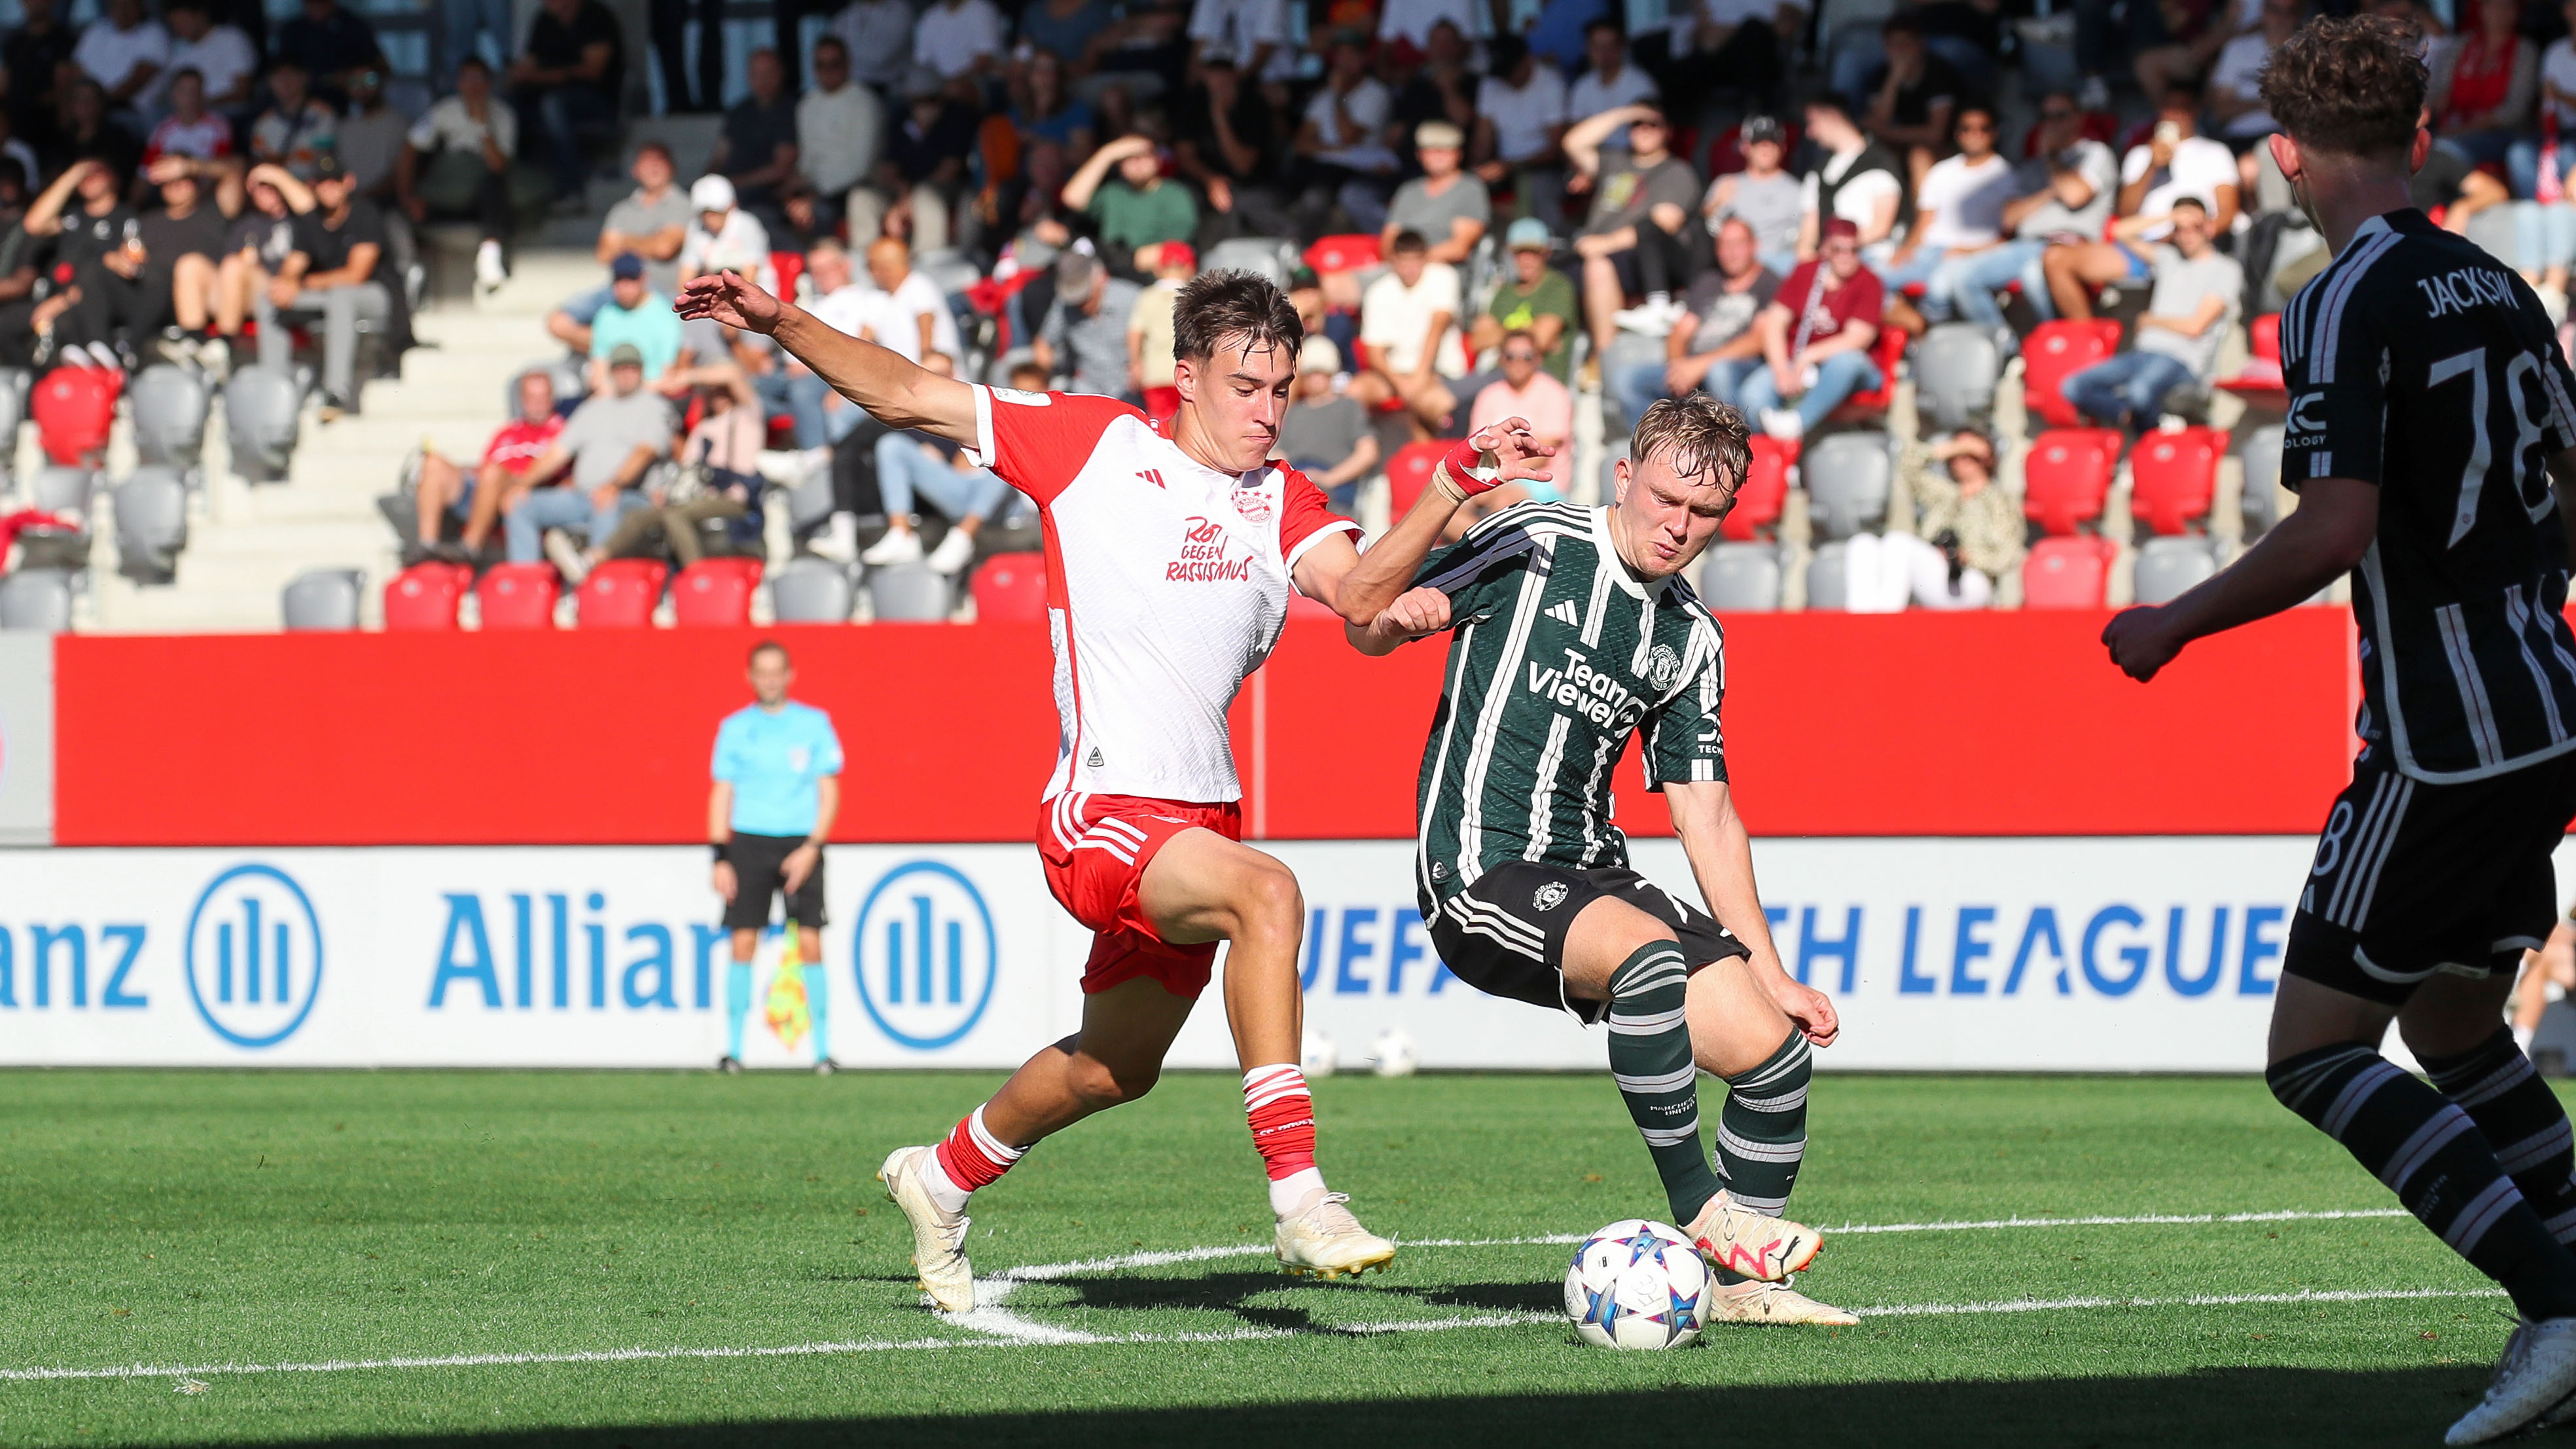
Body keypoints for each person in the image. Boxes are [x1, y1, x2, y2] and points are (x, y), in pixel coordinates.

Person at [675, 260, 1554, 1315]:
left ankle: (942, 1173)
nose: (1267, 412)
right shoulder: (1095, 443)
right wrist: (779, 320)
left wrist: (1444, 529)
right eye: (1245, 386)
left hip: (1202, 813)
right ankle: (1301, 1194)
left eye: (1282, 390)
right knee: (1267, 893)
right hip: (1102, 809)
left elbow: (1363, 604)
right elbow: (906, 392)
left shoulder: (1284, 497)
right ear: (1185, 375)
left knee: (1111, 1069)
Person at [2100, 20, 2576, 1442]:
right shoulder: (2497, 283)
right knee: (2455, 1024)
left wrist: (2173, 621)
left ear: (2284, 154)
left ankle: (2557, 1304)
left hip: (2439, 737)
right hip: (2545, 707)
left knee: (2313, 1052)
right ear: (2423, 141)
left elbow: (2339, 522)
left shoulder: (2335, 298)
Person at [1342, 392, 1850, 1325]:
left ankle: (1746, 1289)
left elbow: (1707, 811)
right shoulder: (1539, 537)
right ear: (1625, 476)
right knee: (1646, 956)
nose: (1678, 526)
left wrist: (1771, 970)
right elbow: (1362, 618)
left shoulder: (1691, 638)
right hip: (1481, 869)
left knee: (1774, 1054)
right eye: (1664, 498)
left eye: (1703, 515)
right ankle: (1706, 1210)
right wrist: (1399, 620)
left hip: (1589, 873)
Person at [709, 641, 844, 1075]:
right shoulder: (734, 727)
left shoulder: (814, 724)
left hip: (799, 844)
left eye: (776, 671)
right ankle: (733, 1051)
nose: (769, 679)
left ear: (790, 675)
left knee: (808, 941)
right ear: (750, 677)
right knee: (743, 940)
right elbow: (722, 792)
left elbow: (828, 791)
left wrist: (812, 847)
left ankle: (821, 1052)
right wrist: (721, 856)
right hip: (748, 842)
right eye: (761, 672)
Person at [2041, 84, 2243, 322]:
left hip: (2191, 242)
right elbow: (2125, 213)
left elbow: (2227, 212)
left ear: (2195, 111)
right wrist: (2151, 166)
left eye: (2181, 109)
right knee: (2055, 260)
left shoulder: (2215, 152)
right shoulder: (2140, 155)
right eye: (2167, 108)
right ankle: (2088, 342)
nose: (2173, 115)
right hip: (2140, 246)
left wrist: (2188, 234)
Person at [1931, 90, 2117, 338]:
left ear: (2078, 118)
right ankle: (2005, 347)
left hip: (2069, 246)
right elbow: (2009, 217)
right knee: (1963, 278)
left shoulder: (2096, 153)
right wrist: (2051, 190)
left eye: (2061, 115)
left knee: (2033, 274)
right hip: (2025, 246)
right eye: (2046, 116)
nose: (2052, 123)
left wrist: (2052, 159)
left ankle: (2057, 343)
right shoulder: (2033, 166)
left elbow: (2074, 195)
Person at [2058, 197, 2240, 434]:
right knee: (2073, 386)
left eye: (2194, 226)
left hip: (2182, 360)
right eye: (2179, 229)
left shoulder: (2225, 268)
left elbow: (2195, 327)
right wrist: (2170, 217)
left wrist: (2150, 320)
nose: (2187, 234)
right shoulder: (2168, 258)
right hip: (2143, 355)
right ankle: (2151, 422)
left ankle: (2151, 432)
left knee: (2139, 391)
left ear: (2208, 226)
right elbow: (2119, 231)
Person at [253, 157, 399, 419]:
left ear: (348, 182)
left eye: (335, 182)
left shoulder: (365, 213)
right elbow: (294, 264)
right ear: (313, 187)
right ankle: (273, 388)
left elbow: (356, 275)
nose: (329, 188)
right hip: (329, 296)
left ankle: (335, 393)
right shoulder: (310, 221)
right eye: (322, 183)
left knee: (341, 296)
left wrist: (304, 283)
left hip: (377, 297)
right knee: (269, 298)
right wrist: (286, 282)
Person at [507, 341, 670, 569]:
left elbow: (644, 453)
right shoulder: (592, 409)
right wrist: (523, 484)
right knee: (520, 504)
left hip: (631, 496)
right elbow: (557, 452)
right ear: (612, 372)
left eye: (631, 368)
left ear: (641, 371)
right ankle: (526, 581)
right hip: (582, 497)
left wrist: (614, 485)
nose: (626, 374)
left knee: (605, 502)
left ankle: (593, 577)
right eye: (621, 368)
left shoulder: (654, 407)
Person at [1613, 217, 1776, 428]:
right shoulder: (1709, 281)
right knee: (1627, 380)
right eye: (1724, 245)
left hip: (1739, 366)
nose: (1731, 252)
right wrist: (1678, 367)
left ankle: (1730, 445)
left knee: (1720, 371)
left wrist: (1701, 365)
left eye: (1737, 244)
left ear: (1754, 245)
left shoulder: (1770, 283)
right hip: (1693, 367)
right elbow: (1681, 331)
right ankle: (1656, 448)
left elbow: (1758, 340)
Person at [1567, 102, 1702, 352]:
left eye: (1653, 124)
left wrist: (1604, 244)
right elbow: (1574, 143)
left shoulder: (1678, 171)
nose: (1644, 130)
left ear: (1668, 131)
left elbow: (1664, 223)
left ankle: (1603, 361)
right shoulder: (1615, 161)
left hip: (1639, 257)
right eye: (1638, 125)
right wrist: (1626, 112)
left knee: (1598, 267)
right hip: (1587, 250)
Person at [399, 57, 541, 293]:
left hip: (482, 198)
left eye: (479, 79)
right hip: (447, 190)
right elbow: (411, 148)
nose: (473, 85)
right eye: (468, 79)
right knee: (401, 210)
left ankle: (490, 253)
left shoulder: (503, 115)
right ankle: (414, 268)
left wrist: (483, 125)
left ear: (489, 83)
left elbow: (498, 165)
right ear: (458, 83)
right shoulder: (443, 111)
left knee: (496, 183)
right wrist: (407, 195)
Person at [1739, 217, 1882, 439]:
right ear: (1825, 248)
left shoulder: (1869, 281)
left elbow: (1857, 339)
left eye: (1854, 250)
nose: (1846, 257)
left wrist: (1808, 357)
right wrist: (1781, 371)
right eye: (1838, 249)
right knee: (1753, 394)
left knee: (1846, 362)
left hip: (1842, 367)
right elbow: (1774, 323)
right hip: (1795, 362)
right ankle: (1766, 455)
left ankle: (1795, 426)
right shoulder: (1806, 272)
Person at [408, 367, 564, 563]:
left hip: (520, 494)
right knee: (433, 463)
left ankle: (470, 547)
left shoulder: (562, 433)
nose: (537, 404)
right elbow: (484, 467)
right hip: (484, 490)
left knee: (493, 472)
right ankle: (427, 545)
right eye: (531, 397)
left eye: (543, 397)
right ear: (522, 399)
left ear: (552, 398)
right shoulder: (506, 433)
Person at [1882, 105, 2012, 300]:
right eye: (1966, 128)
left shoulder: (2006, 176)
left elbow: (2007, 233)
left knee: (1939, 289)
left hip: (1972, 256)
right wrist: (1906, 249)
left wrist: (1969, 251)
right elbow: (1925, 220)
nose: (1974, 134)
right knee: (1874, 281)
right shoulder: (1941, 171)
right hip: (1929, 253)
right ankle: (1914, 324)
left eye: (1983, 128)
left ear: (1994, 133)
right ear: (1957, 134)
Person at [1347, 228, 1463, 427]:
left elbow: (1437, 329)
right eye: (1403, 262)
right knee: (1352, 394)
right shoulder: (1378, 292)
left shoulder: (1443, 277)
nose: (1410, 269)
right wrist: (1402, 384)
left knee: (1431, 402)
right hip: (1394, 376)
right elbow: (1375, 353)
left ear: (1425, 259)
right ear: (1393, 261)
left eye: (1415, 261)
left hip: (1439, 373)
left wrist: (1419, 378)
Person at [509, 0, 624, 199]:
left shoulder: (596, 16)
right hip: (544, 95)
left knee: (553, 106)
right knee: (510, 104)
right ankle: (519, 189)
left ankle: (571, 187)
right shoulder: (545, 20)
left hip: (597, 100)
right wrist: (516, 76)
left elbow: (592, 71)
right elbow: (530, 64)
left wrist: (544, 76)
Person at [1064, 133, 1198, 280]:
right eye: (1128, 158)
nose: (1138, 161)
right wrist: (1107, 153)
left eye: (1144, 155)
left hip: (1154, 279)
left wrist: (1113, 258)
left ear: (1157, 159)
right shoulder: (1112, 193)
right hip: (1110, 278)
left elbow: (1174, 250)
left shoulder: (1176, 194)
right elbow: (1072, 198)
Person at [788, 37, 878, 243]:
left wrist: (814, 196)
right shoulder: (807, 104)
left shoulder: (864, 103)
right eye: (821, 65)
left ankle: (826, 269)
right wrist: (797, 191)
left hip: (855, 187)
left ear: (847, 65)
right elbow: (807, 159)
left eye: (834, 64)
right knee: (769, 206)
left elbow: (860, 166)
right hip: (814, 188)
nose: (828, 70)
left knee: (821, 212)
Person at [1797, 92, 1903, 262]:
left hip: (1869, 258)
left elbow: (1882, 227)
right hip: (1826, 261)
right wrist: (1806, 262)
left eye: (1812, 122)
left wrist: (1839, 248)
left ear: (1832, 115)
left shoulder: (1880, 162)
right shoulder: (1817, 172)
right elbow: (1808, 233)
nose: (1809, 133)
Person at [1275, 334, 1376, 513]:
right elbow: (1280, 455)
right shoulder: (1295, 411)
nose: (1315, 379)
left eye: (1320, 373)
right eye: (1310, 374)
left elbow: (1367, 453)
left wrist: (1329, 478)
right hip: (1295, 489)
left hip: (1335, 494)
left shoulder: (1348, 407)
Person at [1473, 217, 1579, 382]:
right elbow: (1478, 341)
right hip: (1499, 376)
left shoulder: (1559, 287)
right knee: (1441, 396)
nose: (1526, 260)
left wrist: (1499, 335)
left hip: (1542, 377)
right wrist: (1529, 334)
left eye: (1534, 253)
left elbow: (1542, 339)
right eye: (1520, 253)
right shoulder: (1505, 291)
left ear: (1547, 253)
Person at [709, 47, 798, 234]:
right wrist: (710, 182)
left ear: (781, 73)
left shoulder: (789, 111)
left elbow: (781, 170)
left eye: (769, 73)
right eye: (756, 74)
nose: (763, 80)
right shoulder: (740, 111)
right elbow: (719, 157)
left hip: (763, 195)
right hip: (729, 189)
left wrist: (734, 183)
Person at [1035, 247, 1141, 397]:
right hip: (1086, 391)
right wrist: (1045, 371)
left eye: (1086, 297)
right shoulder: (1063, 307)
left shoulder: (1132, 298)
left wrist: (1140, 365)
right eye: (1076, 300)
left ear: (1102, 279)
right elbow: (1043, 344)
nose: (1081, 305)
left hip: (1130, 390)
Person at [1702, 114, 1801, 277]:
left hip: (1778, 268)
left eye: (1771, 143)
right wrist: (1714, 206)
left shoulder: (1797, 191)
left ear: (1783, 147)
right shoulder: (1726, 184)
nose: (1765, 149)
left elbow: (1802, 242)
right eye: (1758, 143)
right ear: (1745, 147)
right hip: (1734, 267)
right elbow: (1709, 232)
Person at [1383, 121, 1488, 268]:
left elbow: (1459, 248)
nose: (1438, 156)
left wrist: (1413, 264)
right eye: (1431, 150)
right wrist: (1402, 265)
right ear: (1419, 154)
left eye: (1445, 150)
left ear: (1459, 154)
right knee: (1341, 283)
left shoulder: (1470, 188)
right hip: (1399, 268)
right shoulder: (1408, 191)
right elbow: (1388, 241)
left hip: (1443, 269)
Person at [587, 251, 683, 385]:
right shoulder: (605, 315)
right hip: (613, 393)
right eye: (619, 280)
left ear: (643, 279)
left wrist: (634, 394)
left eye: (630, 279)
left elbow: (668, 374)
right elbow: (598, 370)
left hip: (652, 393)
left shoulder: (665, 315)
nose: (624, 286)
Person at [1126, 240, 1194, 423]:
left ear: (1159, 269)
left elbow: (1135, 333)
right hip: (1189, 372)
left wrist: (1135, 364)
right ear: (1189, 268)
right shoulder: (1193, 298)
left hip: (1154, 374)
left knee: (1161, 425)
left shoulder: (1146, 297)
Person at [154, 0, 254, 115]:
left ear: (201, 15)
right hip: (190, 117)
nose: (179, 27)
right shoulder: (177, 51)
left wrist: (204, 104)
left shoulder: (231, 38)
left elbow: (243, 91)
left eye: (183, 21)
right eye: (174, 24)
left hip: (228, 112)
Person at [71, 0, 164, 118]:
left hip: (130, 110)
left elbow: (139, 79)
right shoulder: (97, 30)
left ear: (140, 7)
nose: (123, 11)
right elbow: (76, 70)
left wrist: (99, 103)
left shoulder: (153, 32)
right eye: (117, 6)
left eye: (128, 6)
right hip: (90, 108)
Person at [249, 58, 335, 179]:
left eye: (291, 75)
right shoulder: (263, 122)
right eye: (278, 77)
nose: (285, 82)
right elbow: (258, 161)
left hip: (314, 183)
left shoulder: (322, 113)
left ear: (305, 77)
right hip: (276, 187)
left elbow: (326, 158)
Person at [914, 0, 1005, 80]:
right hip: (939, 85)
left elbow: (984, 61)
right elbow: (922, 62)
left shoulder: (983, 9)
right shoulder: (930, 15)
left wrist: (951, 83)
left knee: (953, 90)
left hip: (979, 80)